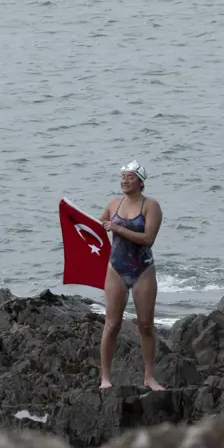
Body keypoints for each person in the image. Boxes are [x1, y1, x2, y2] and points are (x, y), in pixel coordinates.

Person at [98, 160, 165, 391]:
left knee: (145, 325)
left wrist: (118, 229)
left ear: (140, 181)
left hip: (143, 270)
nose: (124, 181)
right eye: (122, 177)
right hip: (116, 269)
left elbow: (148, 239)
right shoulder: (114, 204)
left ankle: (149, 377)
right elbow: (96, 228)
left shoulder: (151, 206)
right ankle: (105, 378)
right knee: (112, 324)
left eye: (129, 177)